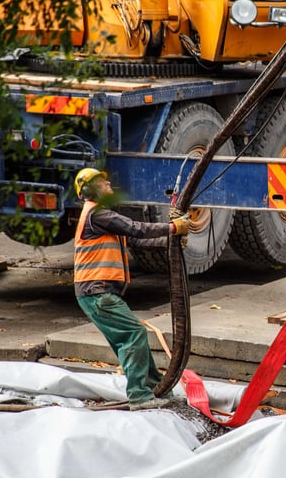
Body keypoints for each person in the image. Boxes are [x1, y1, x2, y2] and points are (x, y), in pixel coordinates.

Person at [72, 167, 189, 410]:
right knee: (134, 333)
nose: (110, 188)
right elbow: (136, 228)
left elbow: (134, 239)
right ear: (92, 190)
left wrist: (171, 242)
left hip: (97, 293)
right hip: (97, 292)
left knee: (130, 336)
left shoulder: (103, 218)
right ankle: (139, 395)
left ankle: (155, 387)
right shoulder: (99, 215)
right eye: (105, 185)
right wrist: (173, 228)